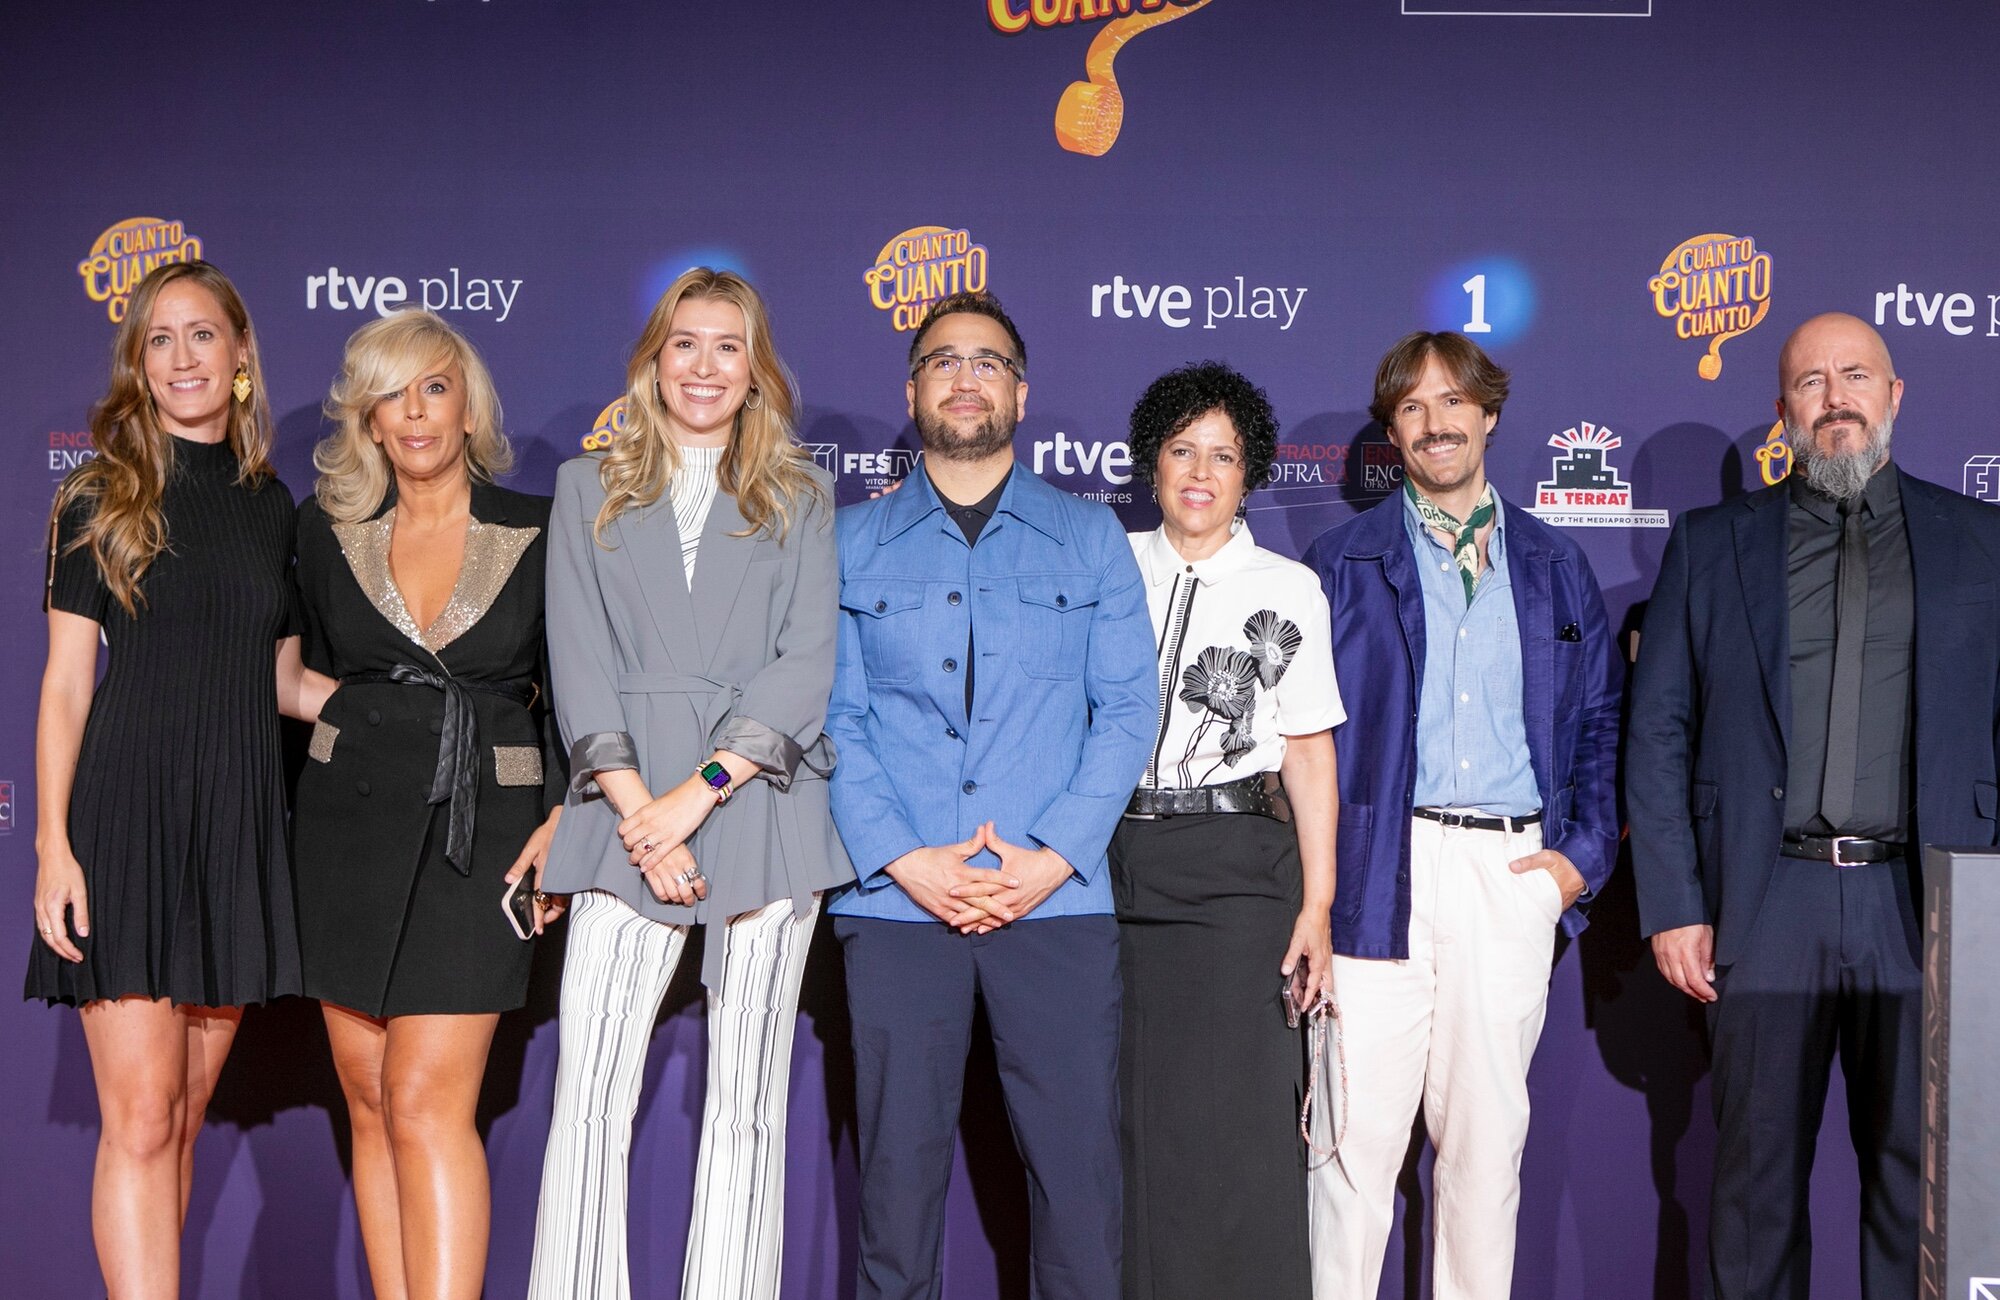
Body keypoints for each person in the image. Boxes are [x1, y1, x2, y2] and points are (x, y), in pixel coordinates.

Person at [1629, 312, 2000, 1300]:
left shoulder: (1982, 541)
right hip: (1766, 898)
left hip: (1925, 906)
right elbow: (1657, 726)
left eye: (1853, 377)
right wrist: (1671, 898)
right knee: (1751, 1189)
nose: (1832, 398)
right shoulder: (1712, 546)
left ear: (1893, 395)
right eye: (1808, 383)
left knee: (1919, 1187)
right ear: (1780, 412)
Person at [825, 290, 1157, 1300]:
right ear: (912, 388)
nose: (964, 378)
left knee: (1077, 1185)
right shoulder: (846, 542)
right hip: (893, 904)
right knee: (894, 1185)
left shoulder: (1088, 538)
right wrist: (905, 859)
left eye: (985, 361)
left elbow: (1126, 713)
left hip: (1055, 899)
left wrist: (1050, 855)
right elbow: (831, 721)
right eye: (942, 361)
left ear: (1020, 388)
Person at [528, 267, 848, 1300]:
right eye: (684, 343)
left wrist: (694, 795)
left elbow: (805, 664)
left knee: (749, 1104)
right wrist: (640, 813)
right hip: (620, 818)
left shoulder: (801, 492)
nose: (703, 366)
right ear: (652, 359)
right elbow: (576, 662)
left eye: (726, 346)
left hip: (757, 807)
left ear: (754, 370)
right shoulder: (586, 487)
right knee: (588, 1095)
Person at [1301, 331, 1621, 1300]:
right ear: (1391, 430)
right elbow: (1299, 741)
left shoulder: (1555, 565)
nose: (1435, 422)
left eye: (1452, 403)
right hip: (1374, 877)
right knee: (1350, 1151)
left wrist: (1576, 862)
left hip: (1509, 875)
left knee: (1485, 1156)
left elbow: (1602, 724)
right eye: (1411, 407)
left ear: (1486, 415)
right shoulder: (1337, 561)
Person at [26, 260, 317, 1299]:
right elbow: (65, 685)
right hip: (128, 821)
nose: (182, 357)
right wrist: (53, 845)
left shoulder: (272, 505)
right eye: (159, 339)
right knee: (141, 1117)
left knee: (181, 1114)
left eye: (203, 335)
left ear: (240, 359)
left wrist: (417, 707)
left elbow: (281, 679)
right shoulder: (98, 492)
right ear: (137, 364)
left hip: (234, 824)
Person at [292, 310, 564, 1300]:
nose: (414, 412)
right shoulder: (321, 531)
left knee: (423, 1103)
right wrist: (364, 721)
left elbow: (583, 692)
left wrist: (564, 820)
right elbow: (291, 676)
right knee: (367, 1104)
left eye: (434, 388)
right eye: (391, 391)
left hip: (483, 839)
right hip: (344, 835)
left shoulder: (539, 526)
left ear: (467, 403)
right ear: (364, 412)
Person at [1113, 362, 1341, 1300]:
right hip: (1110, 869)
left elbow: (1310, 757)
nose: (1200, 473)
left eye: (1223, 456)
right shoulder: (1105, 566)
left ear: (1250, 476)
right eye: (1181, 451)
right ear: (1151, 464)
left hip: (1239, 878)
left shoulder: (1289, 587)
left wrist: (1318, 903)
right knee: (1131, 1129)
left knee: (1240, 1131)